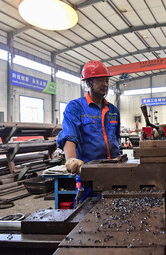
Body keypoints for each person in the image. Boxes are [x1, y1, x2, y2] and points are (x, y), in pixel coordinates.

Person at [56, 60, 121, 204]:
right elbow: (69, 135)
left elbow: (116, 139)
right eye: (100, 80)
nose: (105, 84)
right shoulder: (76, 107)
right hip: (89, 176)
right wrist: (71, 159)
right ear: (88, 83)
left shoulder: (113, 111)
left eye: (106, 80)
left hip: (115, 173)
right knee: (85, 213)